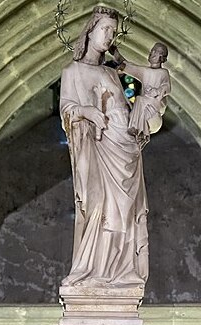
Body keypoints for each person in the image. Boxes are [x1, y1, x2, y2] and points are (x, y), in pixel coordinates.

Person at [59, 6, 148, 288]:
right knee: (97, 203)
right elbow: (67, 108)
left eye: (113, 31)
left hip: (123, 148)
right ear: (90, 31)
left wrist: (139, 127)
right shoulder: (72, 71)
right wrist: (86, 111)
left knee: (125, 211)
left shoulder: (112, 74)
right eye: (104, 29)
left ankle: (120, 272)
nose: (109, 36)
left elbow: (125, 106)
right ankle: (90, 270)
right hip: (95, 146)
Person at [112, 43, 171, 144]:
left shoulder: (163, 72)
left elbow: (167, 87)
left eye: (157, 52)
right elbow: (127, 66)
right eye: (152, 50)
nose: (152, 53)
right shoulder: (144, 71)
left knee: (140, 99)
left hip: (154, 107)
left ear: (162, 58)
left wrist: (157, 91)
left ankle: (137, 129)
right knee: (139, 100)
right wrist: (113, 51)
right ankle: (136, 130)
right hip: (144, 106)